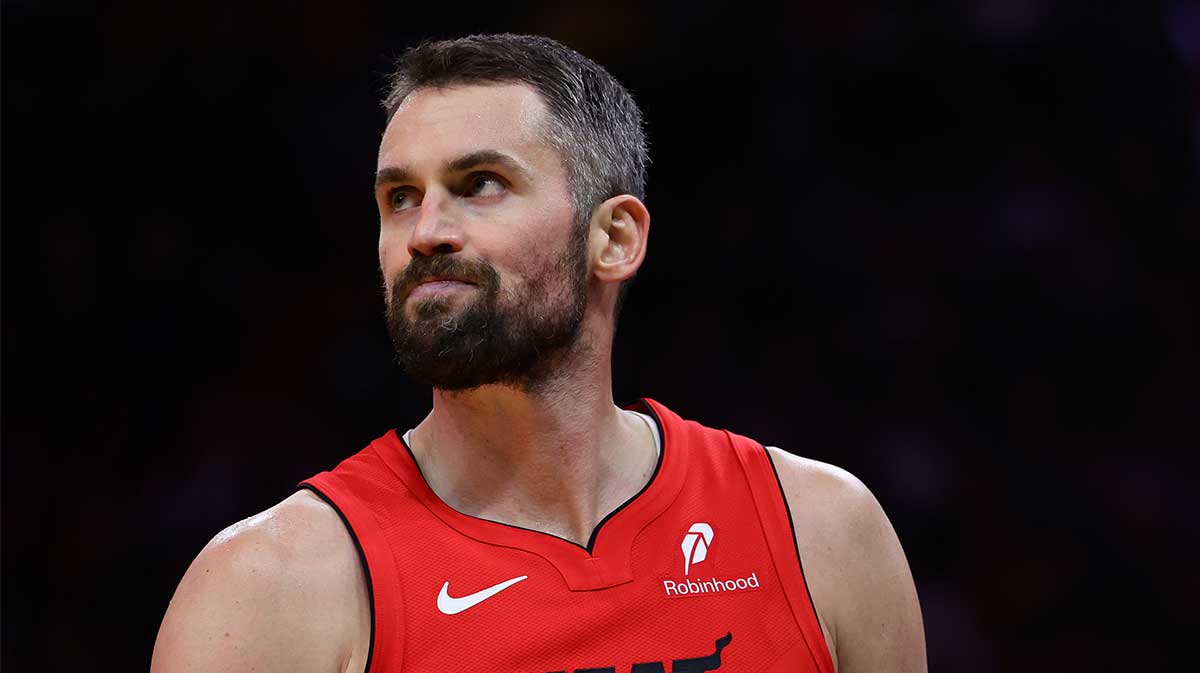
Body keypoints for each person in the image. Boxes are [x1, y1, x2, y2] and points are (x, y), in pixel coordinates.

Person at [150, 34, 926, 673]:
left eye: (479, 183)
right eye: (399, 198)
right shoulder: (268, 591)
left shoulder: (823, 532)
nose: (425, 233)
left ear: (614, 237)